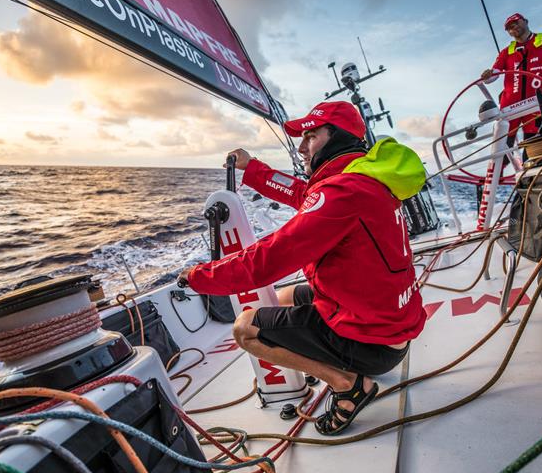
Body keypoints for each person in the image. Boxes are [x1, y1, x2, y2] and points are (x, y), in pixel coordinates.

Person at [178, 101, 427, 435]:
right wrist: (253, 169)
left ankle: (347, 384)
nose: (301, 147)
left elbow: (266, 260)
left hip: (372, 346)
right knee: (280, 298)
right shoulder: (363, 179)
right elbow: (303, 193)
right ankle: (327, 359)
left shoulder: (342, 192)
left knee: (245, 328)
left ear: (337, 137)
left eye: (311, 135)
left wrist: (198, 278)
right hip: (388, 329)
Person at [480, 13, 542, 151]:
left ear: (525, 21)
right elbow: (494, 75)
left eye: (516, 22)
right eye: (509, 27)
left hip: (537, 103)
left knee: (534, 147)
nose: (513, 27)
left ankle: (532, 170)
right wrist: (487, 76)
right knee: (501, 150)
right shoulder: (506, 52)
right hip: (509, 107)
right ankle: (498, 171)